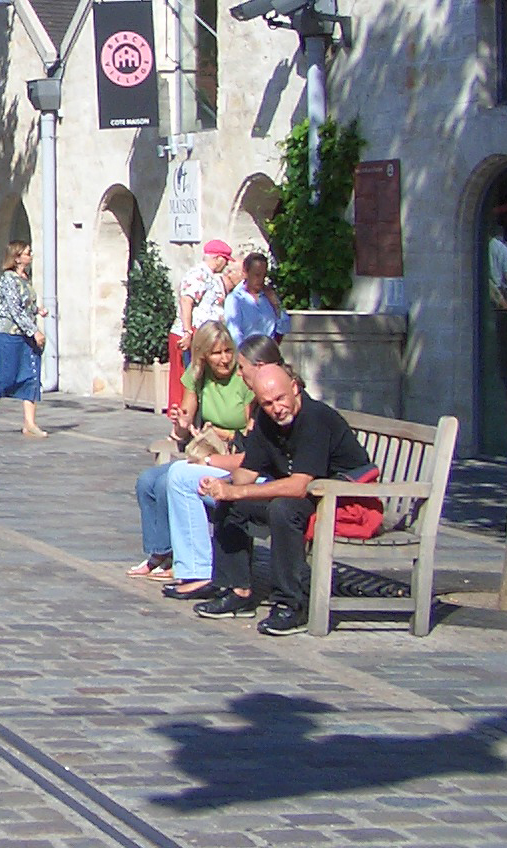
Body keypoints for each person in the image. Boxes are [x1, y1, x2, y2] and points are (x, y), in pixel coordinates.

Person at [193, 358, 376, 635]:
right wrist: (220, 485)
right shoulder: (267, 422)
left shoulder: (315, 418)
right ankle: (236, 591)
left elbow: (299, 486)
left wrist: (236, 490)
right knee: (232, 504)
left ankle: (291, 604)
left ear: (294, 388)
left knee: (283, 509)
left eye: (281, 399)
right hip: (310, 494)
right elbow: (248, 471)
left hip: (343, 498)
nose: (277, 409)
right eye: (267, 403)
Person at [130, 322, 249, 586]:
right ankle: (162, 552)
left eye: (228, 351)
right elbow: (183, 430)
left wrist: (221, 432)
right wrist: (181, 423)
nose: (225, 359)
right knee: (148, 481)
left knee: (167, 482)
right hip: (204, 452)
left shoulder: (243, 379)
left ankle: (183, 559)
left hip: (233, 457)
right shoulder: (196, 377)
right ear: (203, 354)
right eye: (217, 353)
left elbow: (252, 434)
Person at [0, 241, 47, 437]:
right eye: (26, 253)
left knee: (31, 375)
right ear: (16, 258)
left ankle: (30, 422)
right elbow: (14, 309)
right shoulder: (8, 279)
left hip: (27, 333)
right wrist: (34, 331)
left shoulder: (25, 278)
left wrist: (37, 310)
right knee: (6, 375)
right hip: (10, 333)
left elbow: (25, 304)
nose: (30, 255)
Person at [223, 251, 291, 343]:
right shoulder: (235, 299)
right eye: (257, 275)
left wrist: (276, 304)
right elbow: (234, 333)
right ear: (245, 273)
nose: (261, 280)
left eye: (264, 275)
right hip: (247, 352)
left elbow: (284, 327)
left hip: (268, 351)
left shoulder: (268, 297)